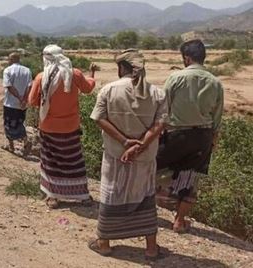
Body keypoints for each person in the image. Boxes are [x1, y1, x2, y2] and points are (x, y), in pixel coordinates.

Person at [88, 49, 167, 260]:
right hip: (146, 157)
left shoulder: (108, 90)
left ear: (121, 68)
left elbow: (98, 118)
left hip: (115, 155)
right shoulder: (157, 93)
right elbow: (161, 124)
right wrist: (140, 145)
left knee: (112, 194)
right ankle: (151, 248)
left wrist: (125, 142)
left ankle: (104, 243)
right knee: (145, 196)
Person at [156, 39, 223, 233]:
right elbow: (217, 117)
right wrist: (213, 141)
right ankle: (179, 220)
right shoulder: (215, 82)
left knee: (153, 168)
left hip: (177, 134)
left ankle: (145, 210)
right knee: (191, 176)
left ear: (186, 58)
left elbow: (163, 108)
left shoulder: (175, 78)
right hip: (203, 135)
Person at [27, 44, 96, 209]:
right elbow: (88, 88)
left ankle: (53, 197)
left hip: (48, 128)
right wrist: (92, 75)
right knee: (74, 161)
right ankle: (82, 196)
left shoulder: (41, 78)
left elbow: (32, 101)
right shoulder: (74, 74)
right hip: (70, 128)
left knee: (51, 162)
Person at [2, 52, 33, 154]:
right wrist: (24, 99)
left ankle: (11, 147)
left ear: (11, 60)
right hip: (22, 105)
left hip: (10, 104)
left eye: (9, 59)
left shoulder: (7, 70)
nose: (8, 61)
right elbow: (29, 86)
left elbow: (9, 86)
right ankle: (25, 142)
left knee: (8, 124)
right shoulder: (27, 70)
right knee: (20, 123)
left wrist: (19, 97)